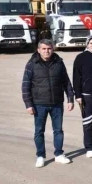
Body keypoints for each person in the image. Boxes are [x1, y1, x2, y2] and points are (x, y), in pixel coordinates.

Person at [22, 39, 75, 168]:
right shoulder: (32, 64)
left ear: (53, 49)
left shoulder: (58, 63)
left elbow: (66, 82)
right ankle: (40, 156)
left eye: (49, 48)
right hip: (39, 104)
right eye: (44, 49)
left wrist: (70, 99)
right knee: (39, 131)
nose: (47, 51)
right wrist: (28, 104)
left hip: (57, 103)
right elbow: (25, 86)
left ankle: (59, 154)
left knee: (58, 130)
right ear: (38, 50)